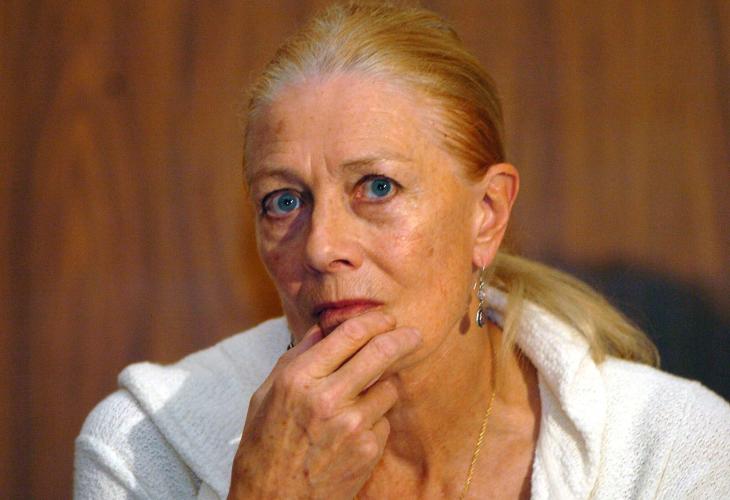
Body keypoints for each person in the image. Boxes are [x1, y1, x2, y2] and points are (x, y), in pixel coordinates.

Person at [74, 2, 730, 499]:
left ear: (486, 215)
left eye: (377, 187)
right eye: (284, 201)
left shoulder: (672, 450)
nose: (322, 247)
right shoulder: (145, 447)